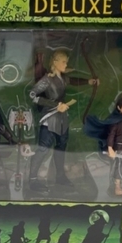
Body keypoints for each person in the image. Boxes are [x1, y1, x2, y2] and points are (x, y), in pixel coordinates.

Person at [28, 50, 98, 193]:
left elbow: (73, 81)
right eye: (64, 62)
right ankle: (32, 180)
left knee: (60, 148)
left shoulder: (63, 78)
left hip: (62, 118)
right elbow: (32, 95)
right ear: (55, 63)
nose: (66, 65)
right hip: (50, 118)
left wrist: (88, 82)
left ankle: (60, 177)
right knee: (43, 149)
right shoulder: (47, 79)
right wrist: (55, 105)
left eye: (66, 62)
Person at [84, 96, 122, 196]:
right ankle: (117, 186)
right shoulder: (115, 121)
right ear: (119, 107)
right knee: (120, 166)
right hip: (119, 147)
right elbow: (111, 135)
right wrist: (110, 148)